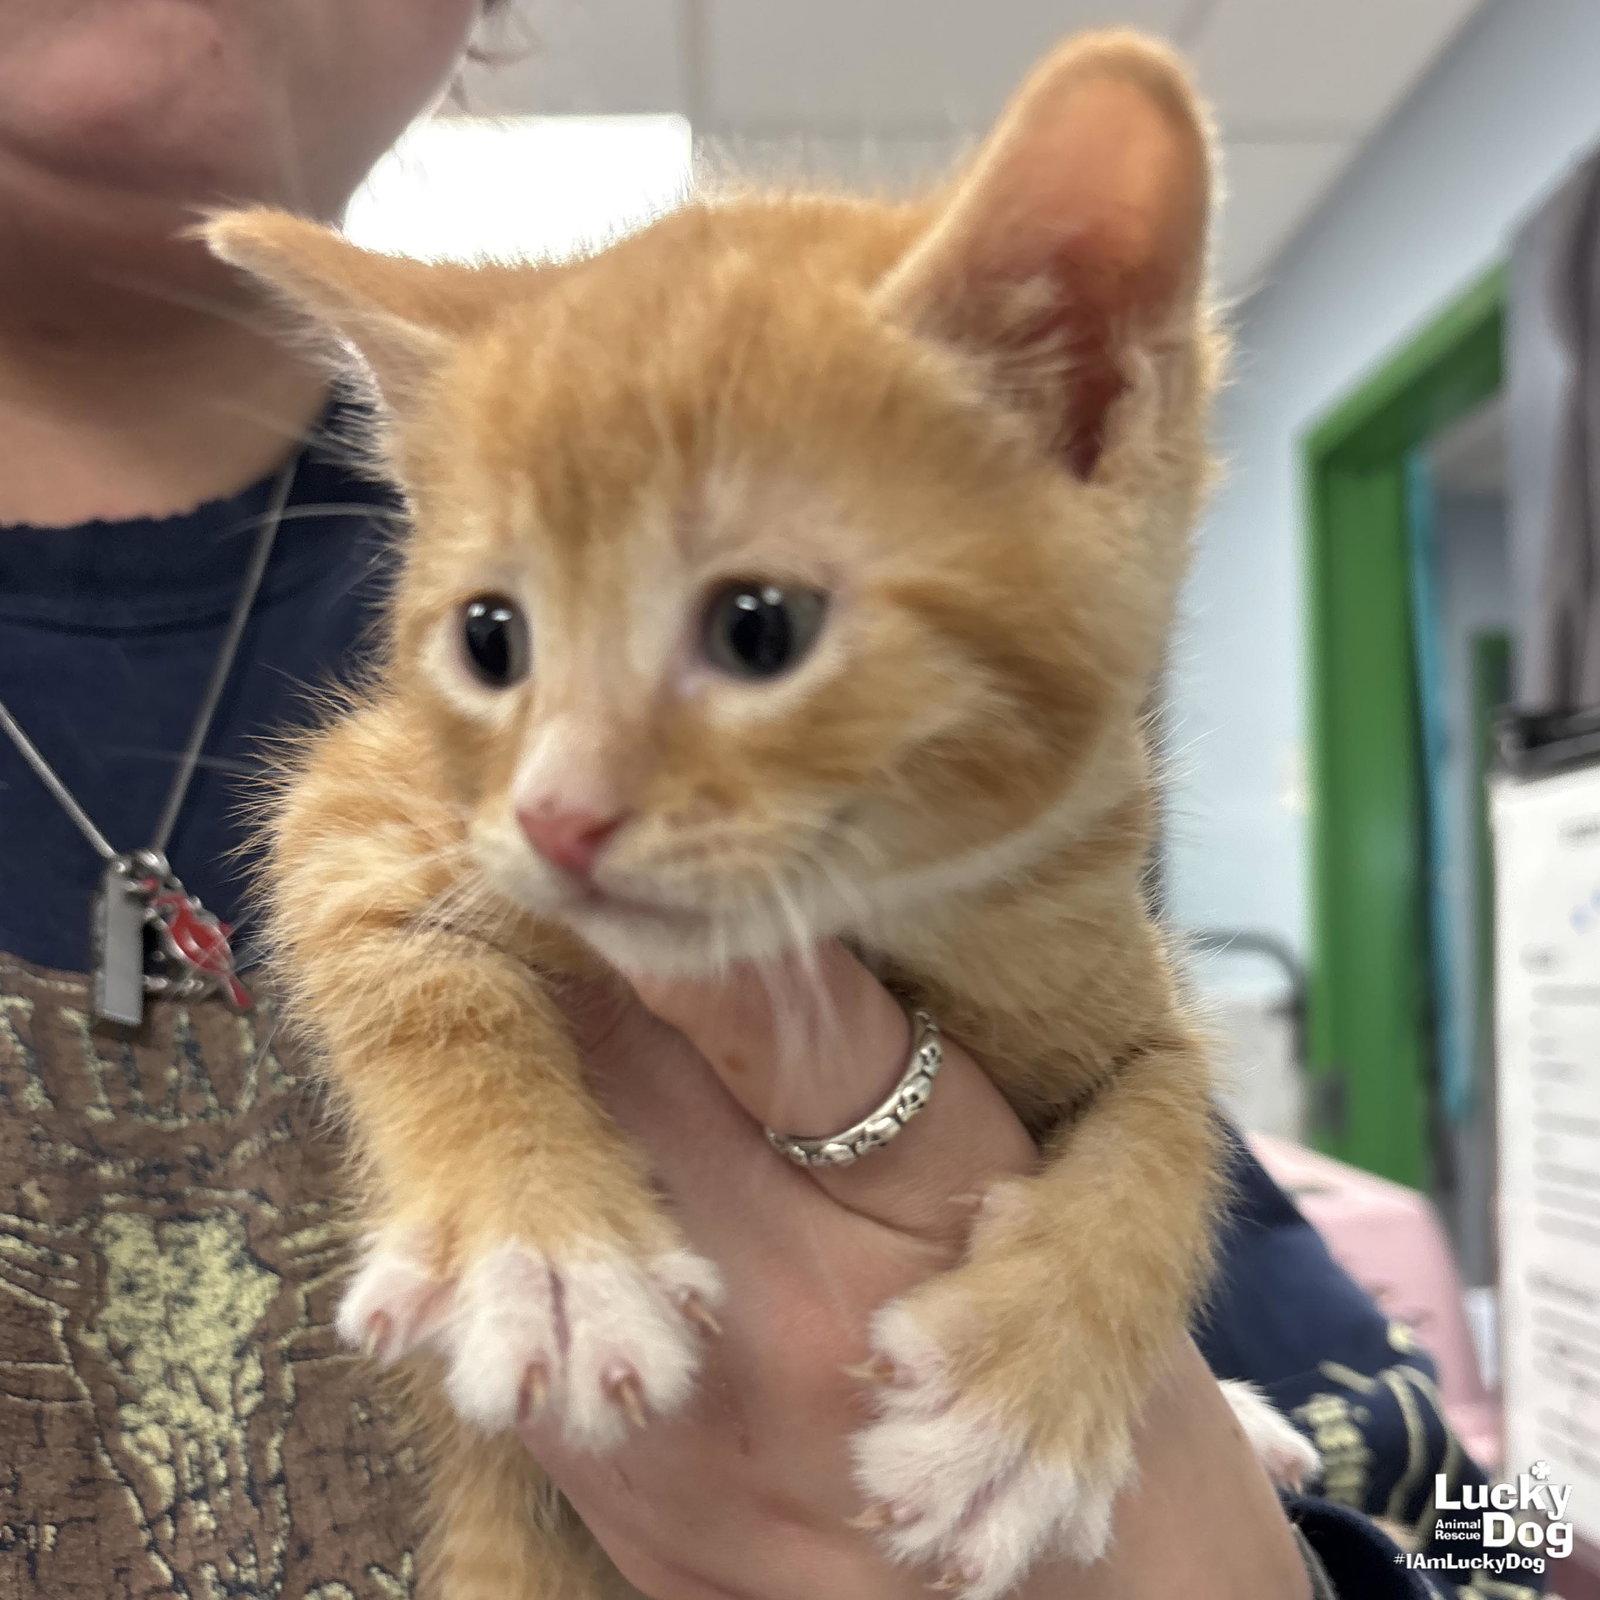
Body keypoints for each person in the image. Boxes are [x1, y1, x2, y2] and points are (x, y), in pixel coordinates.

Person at [0, 3, 1525, 1597]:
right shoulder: (491, 537)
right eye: (495, 642)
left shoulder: (1014, 829)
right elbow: (358, 819)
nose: (563, 807)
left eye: (757, 629)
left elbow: (1481, 1507)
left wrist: (1255, 1554)